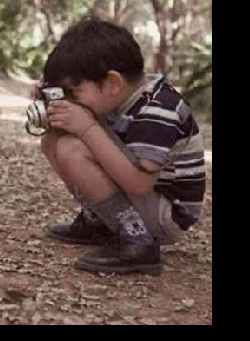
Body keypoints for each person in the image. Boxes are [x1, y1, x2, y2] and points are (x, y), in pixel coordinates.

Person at [33, 16, 206, 276]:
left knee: (72, 149)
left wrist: (87, 126)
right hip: (147, 198)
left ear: (113, 82)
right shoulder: (120, 99)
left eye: (73, 91)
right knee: (53, 140)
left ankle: (138, 240)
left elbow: (139, 183)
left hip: (167, 213)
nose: (71, 99)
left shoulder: (159, 109)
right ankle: (103, 221)